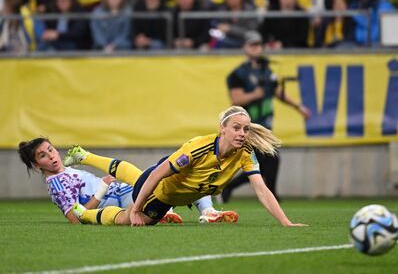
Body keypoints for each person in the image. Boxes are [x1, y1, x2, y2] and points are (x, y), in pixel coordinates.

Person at [69, 106, 307, 228]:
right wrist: (135, 210)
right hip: (159, 191)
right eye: (236, 128)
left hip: (183, 190)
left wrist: (285, 222)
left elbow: (262, 190)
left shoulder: (245, 152)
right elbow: (158, 175)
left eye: (245, 129)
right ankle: (85, 213)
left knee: (145, 177)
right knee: (130, 221)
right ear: (221, 129)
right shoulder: (198, 147)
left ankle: (207, 210)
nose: (242, 133)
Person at [18, 137, 234, 224]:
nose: (52, 155)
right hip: (117, 201)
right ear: (37, 165)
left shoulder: (67, 172)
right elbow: (75, 217)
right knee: (175, 177)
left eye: (50, 149)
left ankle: (200, 211)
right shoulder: (56, 183)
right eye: (43, 155)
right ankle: (201, 211)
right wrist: (102, 189)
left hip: (124, 191)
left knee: (182, 175)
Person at [221, 31, 310, 203]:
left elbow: (278, 92)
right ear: (245, 48)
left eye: (258, 45)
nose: (256, 48)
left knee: (263, 161)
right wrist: (255, 94)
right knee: (271, 156)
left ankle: (232, 187)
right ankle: (272, 194)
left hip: (266, 123)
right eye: (252, 45)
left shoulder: (266, 71)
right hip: (249, 125)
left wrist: (299, 107)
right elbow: (236, 99)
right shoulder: (238, 74)